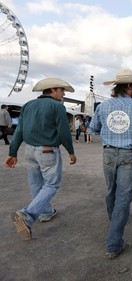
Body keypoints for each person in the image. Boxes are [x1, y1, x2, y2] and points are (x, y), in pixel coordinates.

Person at [90, 69, 132, 259]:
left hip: (108, 153)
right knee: (124, 196)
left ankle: (115, 221)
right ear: (128, 87)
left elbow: (93, 129)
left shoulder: (102, 106)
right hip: (128, 154)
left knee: (111, 190)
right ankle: (114, 243)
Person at [4, 77, 77, 241]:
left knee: (36, 184)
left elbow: (19, 131)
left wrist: (12, 152)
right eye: (61, 90)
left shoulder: (28, 105)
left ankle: (45, 212)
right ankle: (27, 215)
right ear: (52, 90)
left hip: (29, 150)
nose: (63, 93)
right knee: (52, 184)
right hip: (47, 151)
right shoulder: (57, 106)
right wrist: (71, 152)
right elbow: (64, 132)